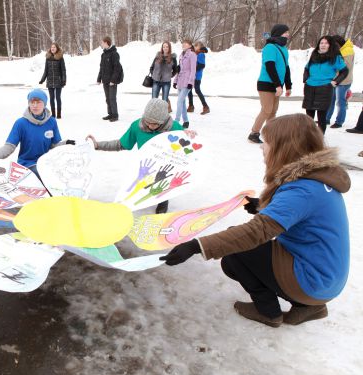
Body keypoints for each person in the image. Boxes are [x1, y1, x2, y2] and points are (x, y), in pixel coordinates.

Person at [161, 114, 350, 328]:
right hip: (325, 276)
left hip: (312, 279)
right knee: (238, 253)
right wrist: (261, 205)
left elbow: (255, 233)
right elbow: (298, 210)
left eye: (267, 143)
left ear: (285, 147)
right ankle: (307, 306)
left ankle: (269, 312)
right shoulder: (317, 178)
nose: (262, 148)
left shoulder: (303, 190)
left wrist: (197, 245)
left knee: (236, 254)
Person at [86, 98, 189, 214]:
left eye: (154, 123)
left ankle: (163, 202)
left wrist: (190, 136)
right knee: (143, 186)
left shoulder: (174, 128)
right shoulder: (137, 126)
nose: (150, 125)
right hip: (146, 165)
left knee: (162, 184)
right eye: (147, 121)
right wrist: (97, 145)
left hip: (166, 164)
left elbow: (187, 146)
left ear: (163, 120)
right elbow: (121, 144)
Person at [0, 89, 75, 177]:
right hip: (27, 164)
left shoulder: (52, 122)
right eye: (32, 102)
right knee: (41, 174)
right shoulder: (21, 123)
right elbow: (9, 147)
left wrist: (66, 143)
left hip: (46, 163)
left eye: (38, 102)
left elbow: (54, 145)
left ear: (45, 104)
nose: (35, 105)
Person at [248, 24, 292, 144]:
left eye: (288, 32)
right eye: (285, 32)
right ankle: (254, 133)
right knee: (267, 110)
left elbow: (286, 68)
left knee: (273, 111)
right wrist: (278, 85)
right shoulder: (270, 47)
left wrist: (288, 86)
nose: (288, 34)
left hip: (278, 85)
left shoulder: (284, 49)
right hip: (266, 84)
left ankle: (270, 135)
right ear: (278, 33)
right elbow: (270, 67)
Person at [302, 36, 348, 134]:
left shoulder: (335, 57)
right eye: (321, 43)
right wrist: (306, 79)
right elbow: (306, 68)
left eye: (326, 43)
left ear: (330, 45)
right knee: (308, 117)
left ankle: (319, 139)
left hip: (324, 88)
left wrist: (335, 81)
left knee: (321, 117)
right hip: (310, 87)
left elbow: (344, 71)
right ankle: (307, 137)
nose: (323, 45)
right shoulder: (314, 55)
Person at [326, 35, 355, 128]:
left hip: (343, 81)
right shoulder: (341, 50)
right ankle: (326, 118)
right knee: (331, 100)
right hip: (336, 80)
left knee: (340, 102)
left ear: (337, 44)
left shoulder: (347, 51)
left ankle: (339, 122)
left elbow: (345, 68)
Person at [97, 36, 123, 122]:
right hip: (105, 80)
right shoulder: (103, 54)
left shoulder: (114, 54)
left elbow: (117, 68)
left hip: (112, 81)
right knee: (107, 98)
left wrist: (113, 80)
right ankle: (110, 114)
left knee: (112, 98)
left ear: (106, 43)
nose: (101, 44)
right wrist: (99, 78)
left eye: (102, 42)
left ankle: (115, 115)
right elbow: (101, 68)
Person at [39, 42, 66, 119]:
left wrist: (64, 80)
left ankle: (59, 114)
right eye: (51, 47)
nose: (52, 48)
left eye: (54, 47)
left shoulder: (60, 58)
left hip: (58, 80)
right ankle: (53, 114)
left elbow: (63, 70)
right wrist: (42, 79)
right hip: (50, 80)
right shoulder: (48, 58)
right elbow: (46, 71)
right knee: (51, 98)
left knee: (58, 97)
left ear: (57, 48)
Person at [173, 39, 196, 128]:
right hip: (180, 81)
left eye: (185, 43)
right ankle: (186, 121)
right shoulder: (181, 55)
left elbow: (193, 70)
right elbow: (179, 70)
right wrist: (175, 81)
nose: (183, 44)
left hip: (187, 82)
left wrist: (191, 82)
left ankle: (176, 121)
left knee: (179, 101)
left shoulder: (192, 55)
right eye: (183, 43)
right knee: (182, 102)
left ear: (190, 45)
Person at [149, 41, 177, 112]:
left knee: (164, 101)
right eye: (164, 46)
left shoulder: (173, 58)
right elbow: (152, 67)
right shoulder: (158, 56)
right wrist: (154, 75)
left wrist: (170, 75)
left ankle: (163, 115)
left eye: (167, 47)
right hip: (156, 81)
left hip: (166, 82)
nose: (165, 48)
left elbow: (175, 69)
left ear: (169, 48)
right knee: (154, 100)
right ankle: (153, 114)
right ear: (162, 48)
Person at [188, 42, 210, 115]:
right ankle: (191, 106)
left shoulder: (201, 54)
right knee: (189, 90)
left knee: (197, 90)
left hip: (197, 76)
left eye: (196, 46)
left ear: (200, 47)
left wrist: (193, 69)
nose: (195, 47)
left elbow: (202, 65)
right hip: (193, 75)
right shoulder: (197, 53)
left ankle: (205, 106)